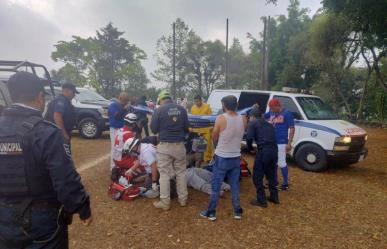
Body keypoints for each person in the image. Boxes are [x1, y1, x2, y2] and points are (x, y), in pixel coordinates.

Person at [0, 72, 92, 249]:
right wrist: (82, 208)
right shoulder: (47, 132)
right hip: (40, 217)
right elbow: (64, 179)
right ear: (40, 97)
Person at [200, 95, 246, 221]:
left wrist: (212, 132)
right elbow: (240, 133)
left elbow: (214, 137)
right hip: (236, 156)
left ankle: (211, 212)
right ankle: (237, 211)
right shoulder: (243, 118)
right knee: (235, 185)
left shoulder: (221, 118)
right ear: (236, 105)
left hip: (222, 156)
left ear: (224, 105)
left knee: (216, 185)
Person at [150, 90, 189, 211]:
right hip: (179, 145)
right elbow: (186, 127)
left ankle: (165, 202)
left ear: (161, 100)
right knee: (181, 173)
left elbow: (154, 129)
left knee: (165, 174)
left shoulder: (158, 110)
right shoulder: (182, 110)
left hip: (165, 146)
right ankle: (183, 200)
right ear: (170, 99)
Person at [247, 107, 279, 208]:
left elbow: (249, 138)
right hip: (274, 151)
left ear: (252, 116)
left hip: (264, 151)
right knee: (271, 175)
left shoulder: (252, 123)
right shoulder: (269, 124)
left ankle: (261, 201)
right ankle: (274, 197)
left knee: (257, 176)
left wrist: (250, 149)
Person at [264, 98, 295, 191]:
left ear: (278, 106)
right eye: (270, 108)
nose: (271, 110)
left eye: (273, 108)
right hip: (271, 141)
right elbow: (263, 116)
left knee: (281, 163)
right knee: (273, 162)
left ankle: (285, 183)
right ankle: (274, 181)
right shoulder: (271, 112)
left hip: (281, 142)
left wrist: (289, 143)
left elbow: (292, 128)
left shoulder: (287, 113)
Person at [108, 92, 130, 170]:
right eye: (124, 101)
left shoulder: (124, 107)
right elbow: (116, 116)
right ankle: (113, 167)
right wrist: (124, 109)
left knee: (123, 148)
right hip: (114, 129)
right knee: (115, 147)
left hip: (122, 130)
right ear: (120, 99)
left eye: (126, 101)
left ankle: (120, 165)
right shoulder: (113, 105)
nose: (125, 103)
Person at [191, 95, 214, 162]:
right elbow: (193, 118)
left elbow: (210, 118)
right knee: (197, 145)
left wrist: (210, 128)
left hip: (206, 129)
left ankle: (207, 158)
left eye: (197, 101)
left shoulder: (207, 107)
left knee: (208, 145)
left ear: (201, 100)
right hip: (197, 130)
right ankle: (199, 159)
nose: (196, 103)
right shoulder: (193, 108)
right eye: (195, 101)